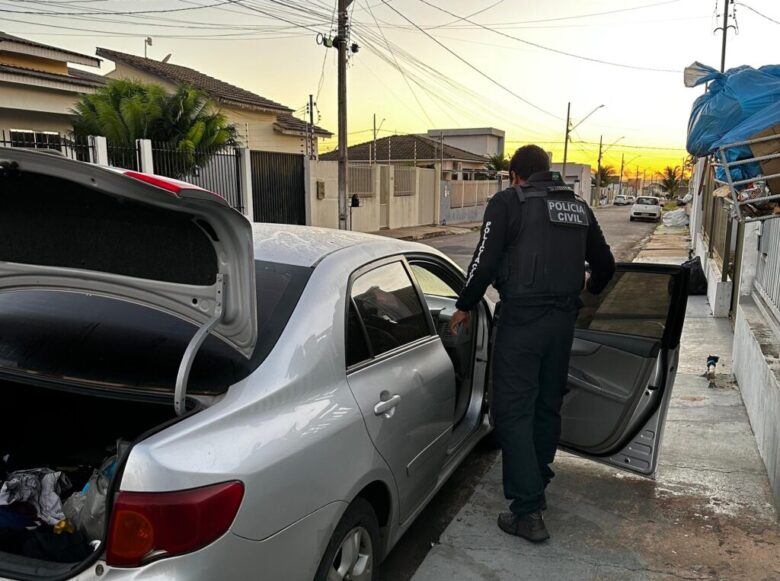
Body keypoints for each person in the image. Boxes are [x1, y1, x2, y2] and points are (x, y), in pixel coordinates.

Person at [449, 145, 615, 543]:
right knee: (546, 404)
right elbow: (605, 264)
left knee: (512, 412)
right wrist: (585, 294)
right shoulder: (578, 207)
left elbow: (483, 262)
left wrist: (464, 305)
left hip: (522, 322)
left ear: (515, 175)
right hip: (562, 324)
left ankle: (527, 512)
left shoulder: (508, 202)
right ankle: (537, 479)